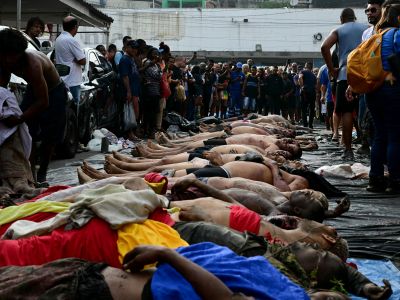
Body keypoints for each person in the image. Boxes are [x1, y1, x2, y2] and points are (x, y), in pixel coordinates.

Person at [0, 28, 68, 185]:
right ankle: (31, 174)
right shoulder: (3, 60)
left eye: (12, 56)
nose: (8, 60)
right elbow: (2, 89)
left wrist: (19, 118)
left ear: (20, 53)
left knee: (49, 137)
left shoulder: (32, 65)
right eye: (4, 56)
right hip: (33, 88)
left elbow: (44, 102)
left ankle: (42, 173)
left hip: (54, 92)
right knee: (27, 132)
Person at [350, 2, 400, 193]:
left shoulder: (374, 37)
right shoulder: (397, 35)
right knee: (395, 135)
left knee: (380, 135)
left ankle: (375, 179)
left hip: (373, 92)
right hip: (393, 89)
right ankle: (395, 180)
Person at [321, 8, 369, 160]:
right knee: (367, 111)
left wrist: (332, 69)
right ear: (354, 18)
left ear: (341, 19)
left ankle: (348, 150)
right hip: (365, 74)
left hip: (344, 74)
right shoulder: (367, 29)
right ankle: (366, 144)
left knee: (346, 112)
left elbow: (324, 47)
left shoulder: (338, 30)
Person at [54, 16, 86, 104]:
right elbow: (83, 61)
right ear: (75, 27)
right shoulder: (72, 41)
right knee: (74, 109)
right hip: (72, 81)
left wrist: (74, 58)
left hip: (62, 79)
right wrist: (75, 58)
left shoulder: (58, 39)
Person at [119, 39, 141, 141]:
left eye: (136, 48)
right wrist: (128, 91)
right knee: (130, 112)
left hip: (135, 90)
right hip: (129, 90)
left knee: (135, 112)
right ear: (127, 47)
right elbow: (125, 77)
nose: (134, 50)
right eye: (132, 48)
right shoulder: (124, 59)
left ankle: (133, 132)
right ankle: (129, 133)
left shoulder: (131, 59)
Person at [299, 62, 317, 129]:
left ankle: (305, 125)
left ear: (305, 66)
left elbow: (300, 78)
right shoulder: (313, 75)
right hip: (312, 93)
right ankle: (310, 125)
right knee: (311, 109)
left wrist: (302, 86)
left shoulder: (302, 71)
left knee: (303, 109)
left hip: (305, 93)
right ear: (311, 67)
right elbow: (316, 85)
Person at [318, 64, 334, 133]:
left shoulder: (343, 64)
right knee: (328, 114)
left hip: (340, 94)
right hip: (329, 95)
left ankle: (334, 130)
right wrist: (322, 95)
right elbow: (323, 84)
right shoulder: (324, 68)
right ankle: (331, 129)